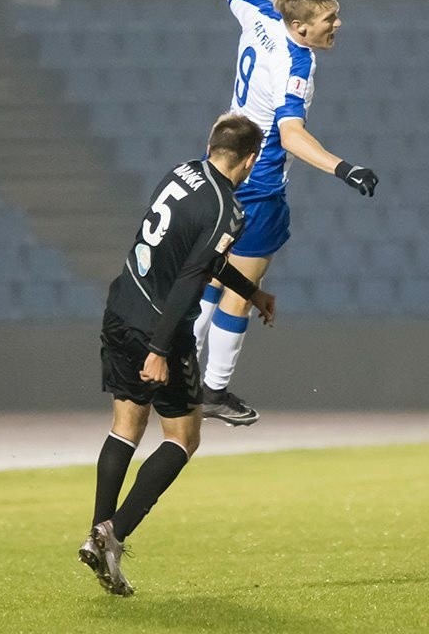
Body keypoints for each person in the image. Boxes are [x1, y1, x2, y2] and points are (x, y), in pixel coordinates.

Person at [194, 0, 379, 427]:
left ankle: (172, 369)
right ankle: (213, 388)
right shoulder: (297, 61)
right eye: (327, 19)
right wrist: (344, 167)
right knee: (236, 292)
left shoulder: (257, 14)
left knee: (208, 280)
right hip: (258, 184)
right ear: (300, 27)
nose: (335, 25)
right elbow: (291, 133)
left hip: (219, 172)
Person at [78, 112, 276, 596]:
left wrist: (248, 291)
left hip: (121, 305)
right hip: (157, 327)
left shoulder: (181, 172)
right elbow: (191, 279)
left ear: (212, 146)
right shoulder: (229, 211)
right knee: (184, 437)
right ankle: (113, 533)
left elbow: (192, 257)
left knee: (125, 428)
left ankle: (97, 536)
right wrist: (160, 349)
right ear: (250, 161)